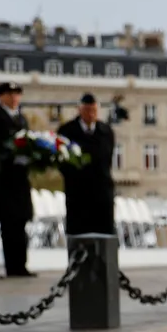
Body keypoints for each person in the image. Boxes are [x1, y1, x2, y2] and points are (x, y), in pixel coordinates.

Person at [57, 94, 116, 237]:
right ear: (80, 110)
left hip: (101, 192)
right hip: (78, 194)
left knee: (104, 236)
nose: (91, 114)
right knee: (79, 236)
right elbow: (61, 161)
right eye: (87, 110)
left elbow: (108, 159)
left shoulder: (106, 131)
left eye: (94, 111)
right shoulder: (66, 131)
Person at [0, 82, 35, 276]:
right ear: (1, 97)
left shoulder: (21, 118)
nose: (14, 98)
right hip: (4, 179)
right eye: (9, 94)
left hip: (20, 178)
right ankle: (12, 265)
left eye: (17, 94)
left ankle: (21, 264)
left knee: (20, 221)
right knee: (9, 224)